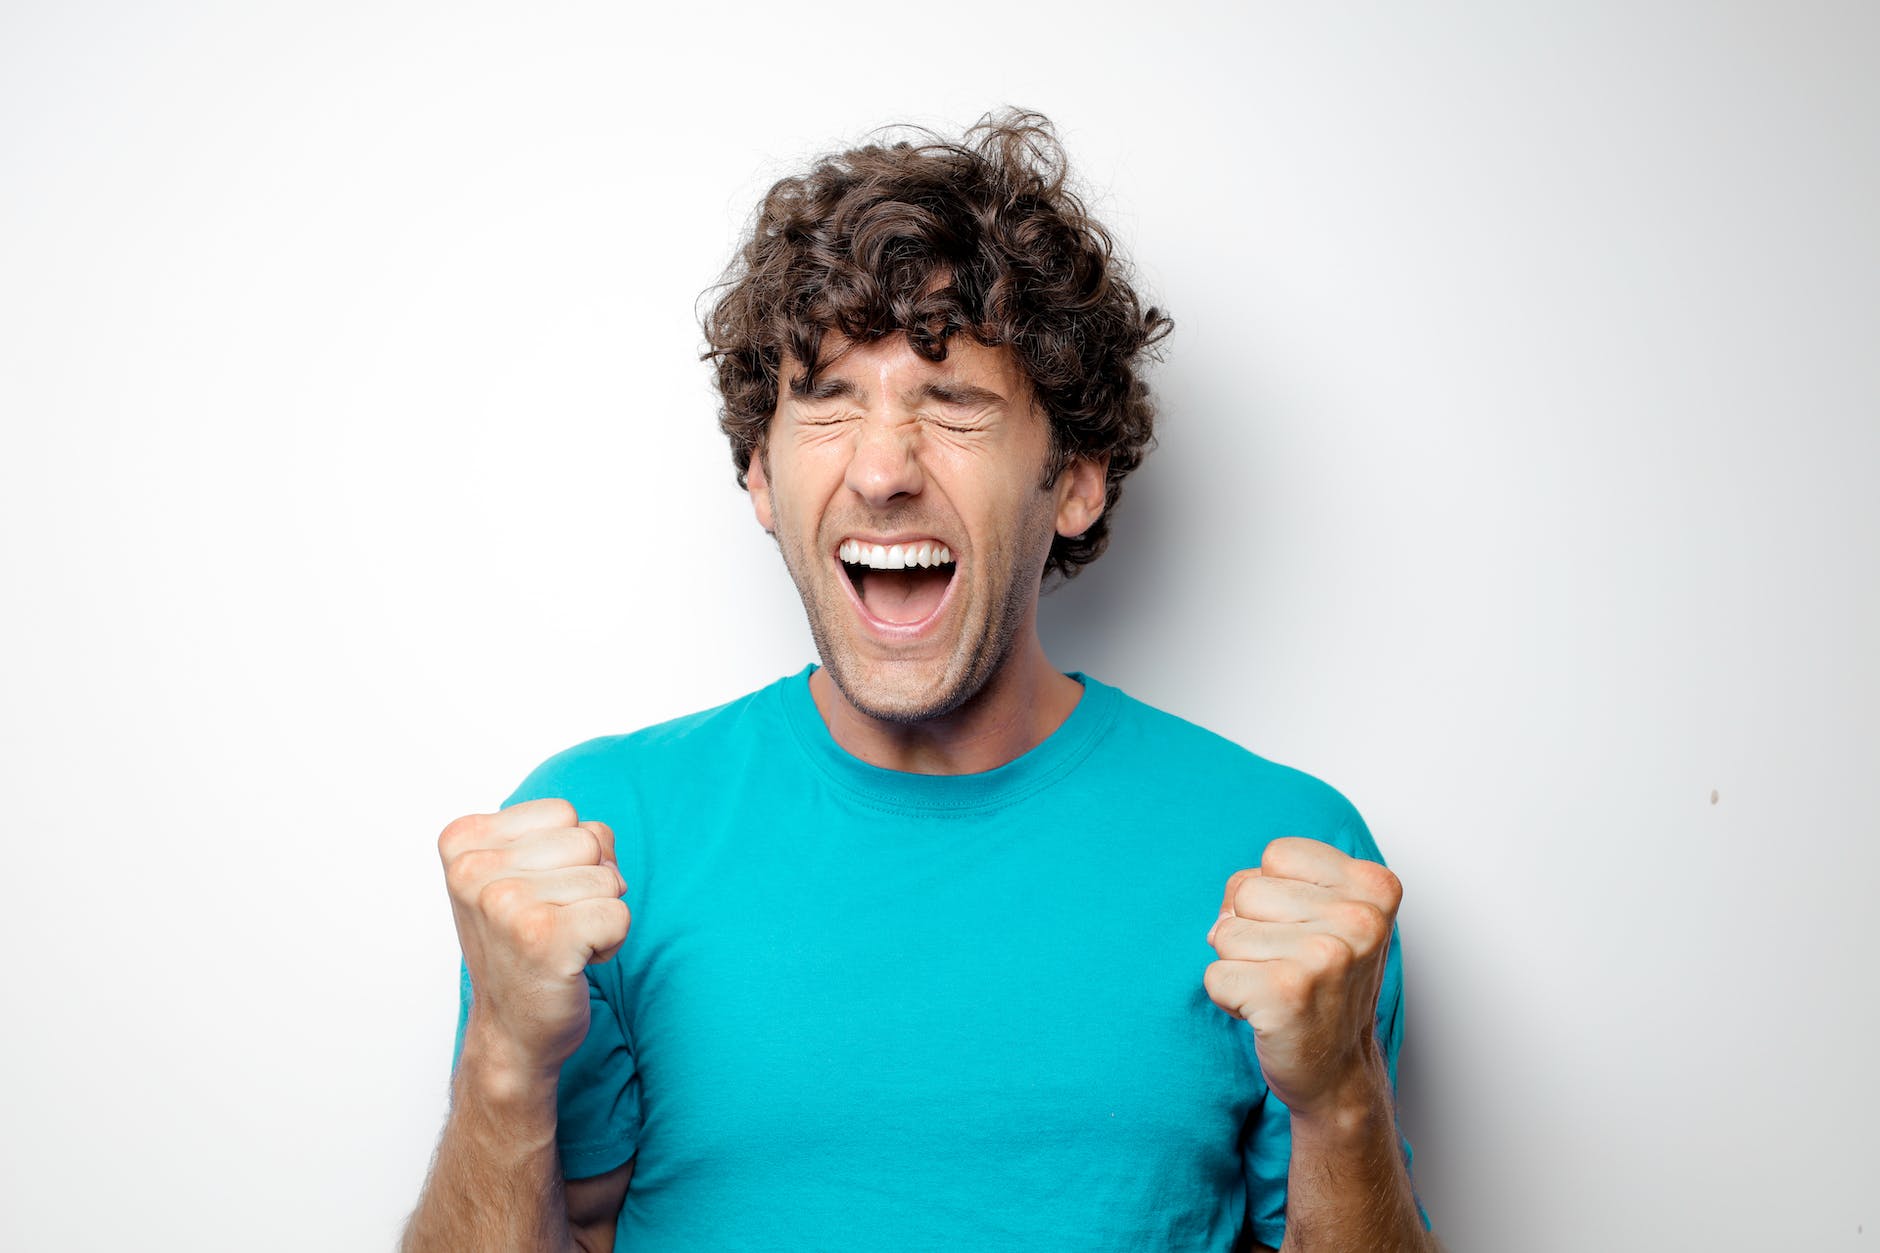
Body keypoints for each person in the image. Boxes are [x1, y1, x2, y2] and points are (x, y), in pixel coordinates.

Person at [402, 110, 1435, 1253]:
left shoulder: (1283, 857)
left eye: (954, 406)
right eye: (828, 401)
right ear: (759, 472)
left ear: (1076, 480)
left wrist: (1339, 1100)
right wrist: (502, 1062)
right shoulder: (597, 840)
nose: (883, 469)